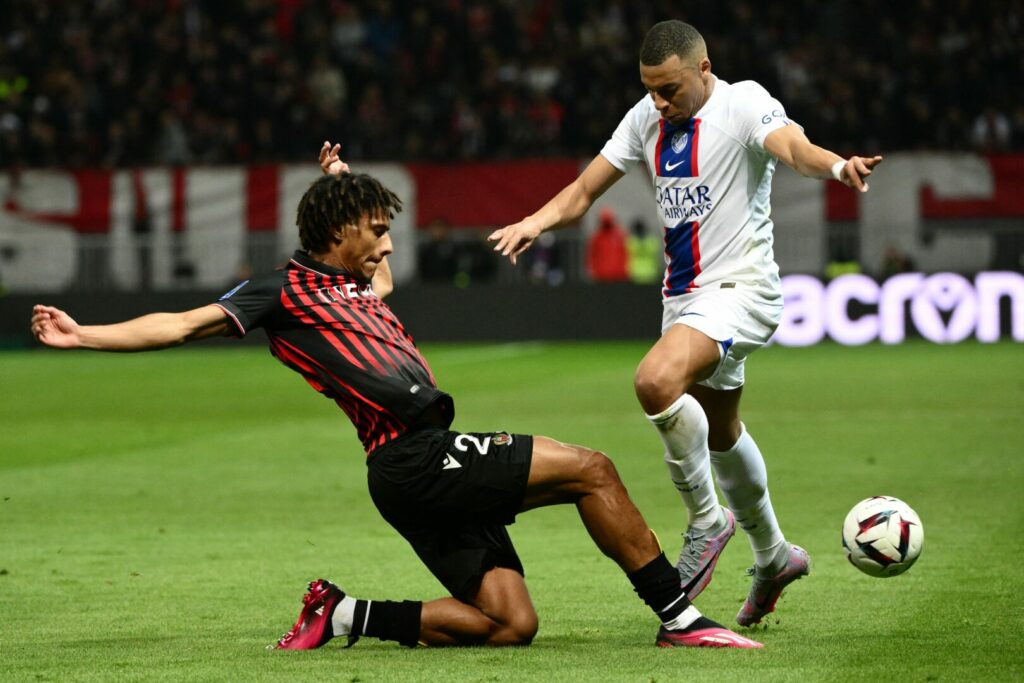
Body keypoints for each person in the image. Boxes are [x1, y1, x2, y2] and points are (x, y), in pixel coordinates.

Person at [28, 143, 762, 651]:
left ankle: (343, 613)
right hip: (414, 458)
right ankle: (679, 614)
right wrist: (83, 334)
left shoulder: (356, 283)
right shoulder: (282, 292)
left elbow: (371, 271)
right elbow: (181, 324)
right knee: (592, 468)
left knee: (511, 624)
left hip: (412, 473)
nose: (386, 246)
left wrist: (345, 177)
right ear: (341, 230)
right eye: (376, 231)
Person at [489, 20, 883, 626]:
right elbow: (582, 190)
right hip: (685, 301)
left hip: (741, 292)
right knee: (722, 433)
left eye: (669, 88)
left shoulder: (743, 102)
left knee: (654, 381)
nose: (658, 101)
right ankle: (774, 555)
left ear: (703, 69)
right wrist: (535, 222)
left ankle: (706, 518)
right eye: (649, 88)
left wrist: (837, 167)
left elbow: (795, 149)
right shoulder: (645, 119)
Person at [585, 207, 629, 282]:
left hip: (617, 275)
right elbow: (592, 255)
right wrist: (593, 270)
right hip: (601, 275)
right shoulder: (596, 237)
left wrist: (624, 269)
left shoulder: (619, 235)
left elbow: (625, 253)